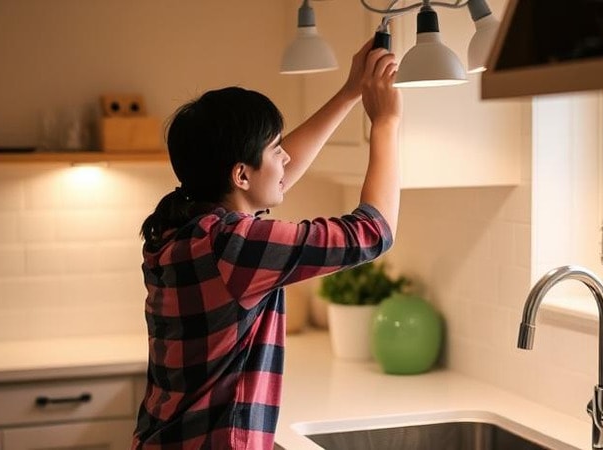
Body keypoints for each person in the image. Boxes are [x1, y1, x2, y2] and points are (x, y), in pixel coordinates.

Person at [131, 40, 401, 449]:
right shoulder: (233, 247)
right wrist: (385, 124)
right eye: (276, 149)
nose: (286, 158)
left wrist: (349, 92)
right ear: (240, 174)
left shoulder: (183, 226)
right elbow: (372, 232)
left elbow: (270, 180)